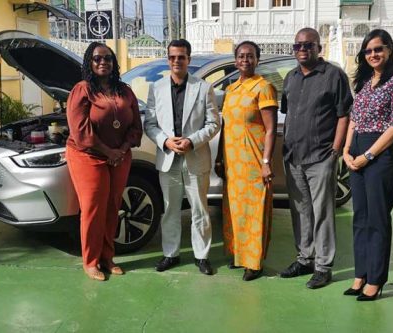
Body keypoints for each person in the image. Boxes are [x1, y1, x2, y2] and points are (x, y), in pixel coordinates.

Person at [280, 27, 353, 289]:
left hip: (321, 156)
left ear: (318, 48)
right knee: (300, 211)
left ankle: (323, 266)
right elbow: (288, 114)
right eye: (298, 45)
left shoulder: (333, 75)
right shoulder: (290, 77)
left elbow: (344, 114)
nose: (302, 50)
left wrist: (335, 151)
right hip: (294, 156)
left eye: (308, 45)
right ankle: (304, 258)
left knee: (322, 212)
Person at [342, 29, 393, 301]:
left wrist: (368, 155)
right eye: (368, 51)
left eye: (378, 49)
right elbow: (354, 118)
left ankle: (376, 279)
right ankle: (360, 275)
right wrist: (347, 150)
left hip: (380, 154)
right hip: (357, 147)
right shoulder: (364, 81)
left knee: (378, 217)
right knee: (360, 216)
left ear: (389, 50)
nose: (373, 54)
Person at [66, 42, 143, 281]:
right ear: (90, 62)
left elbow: (135, 127)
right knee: (92, 208)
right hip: (88, 156)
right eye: (97, 58)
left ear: (114, 62)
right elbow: (81, 131)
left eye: (107, 58)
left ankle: (108, 258)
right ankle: (90, 261)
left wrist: (121, 149)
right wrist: (108, 151)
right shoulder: (82, 90)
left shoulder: (125, 91)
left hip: (120, 156)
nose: (103, 62)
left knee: (113, 207)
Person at [144, 39, 220, 275]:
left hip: (195, 157)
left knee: (199, 209)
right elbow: (150, 124)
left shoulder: (203, 88)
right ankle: (171, 253)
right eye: (173, 57)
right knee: (170, 210)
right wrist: (165, 141)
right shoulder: (156, 88)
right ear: (168, 59)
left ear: (189, 59)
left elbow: (214, 123)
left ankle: (201, 255)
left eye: (182, 57)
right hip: (168, 158)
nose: (177, 61)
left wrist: (191, 141)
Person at [215, 41, 278, 282]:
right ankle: (238, 255)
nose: (245, 60)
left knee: (254, 210)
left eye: (250, 56)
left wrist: (265, 162)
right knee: (234, 210)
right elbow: (225, 126)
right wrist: (220, 158)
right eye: (241, 56)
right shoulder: (231, 89)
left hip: (253, 160)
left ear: (257, 59)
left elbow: (270, 130)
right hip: (233, 161)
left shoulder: (264, 88)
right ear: (235, 60)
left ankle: (254, 262)